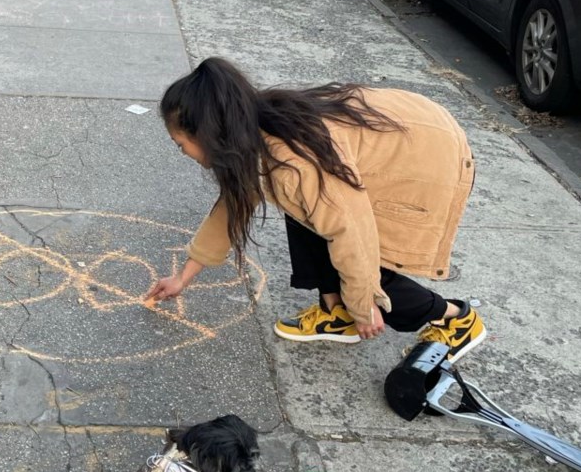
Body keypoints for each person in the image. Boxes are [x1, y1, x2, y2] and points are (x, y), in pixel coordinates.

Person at [144, 57, 486, 363]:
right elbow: (232, 206)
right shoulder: (255, 130)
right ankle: (335, 311)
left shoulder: (293, 161)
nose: (182, 152)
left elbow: (352, 229)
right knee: (309, 212)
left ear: (206, 132)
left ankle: (456, 319)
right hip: (414, 132)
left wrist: (363, 302)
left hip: (432, 160)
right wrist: (181, 278)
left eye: (180, 144)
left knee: (361, 267)